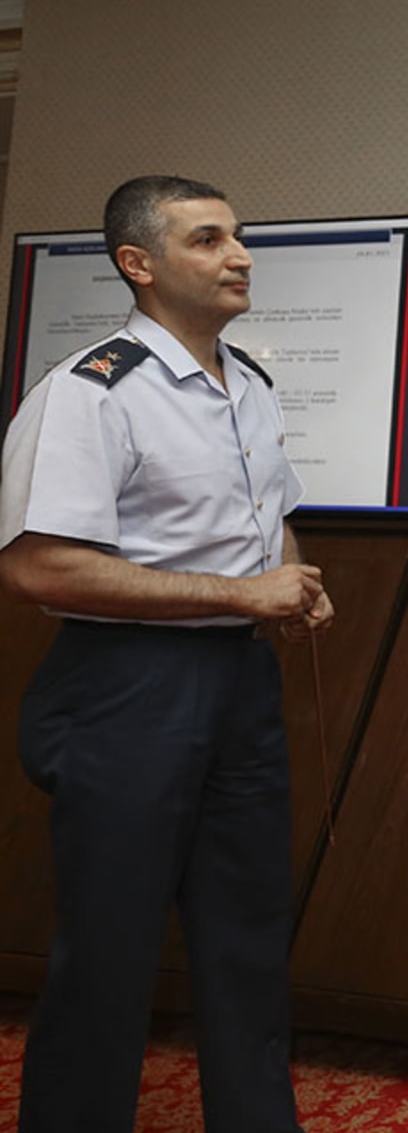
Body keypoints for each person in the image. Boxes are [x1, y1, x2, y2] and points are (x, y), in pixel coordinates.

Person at [0, 176, 332, 1132]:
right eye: (207, 240)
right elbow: (36, 569)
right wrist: (242, 593)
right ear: (137, 265)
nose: (239, 256)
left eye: (239, 237)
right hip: (123, 687)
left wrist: (293, 581)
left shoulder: (252, 385)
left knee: (249, 936)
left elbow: (272, 523)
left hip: (239, 684)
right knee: (109, 946)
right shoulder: (89, 392)